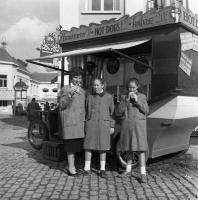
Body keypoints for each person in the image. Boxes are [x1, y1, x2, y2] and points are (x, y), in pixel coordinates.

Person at [117, 78, 149, 183]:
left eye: (134, 87)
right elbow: (118, 112)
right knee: (129, 148)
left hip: (139, 126)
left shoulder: (142, 97)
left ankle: (143, 174)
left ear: (137, 87)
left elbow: (146, 110)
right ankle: (128, 170)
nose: (131, 89)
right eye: (130, 87)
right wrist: (126, 101)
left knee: (140, 149)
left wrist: (137, 101)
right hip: (127, 126)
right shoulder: (123, 97)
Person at [83, 78, 115, 178]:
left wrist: (112, 125)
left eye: (97, 85)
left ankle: (102, 169)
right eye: (94, 85)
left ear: (102, 85)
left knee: (103, 147)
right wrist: (85, 122)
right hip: (91, 124)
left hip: (103, 125)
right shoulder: (89, 97)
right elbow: (85, 111)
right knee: (88, 146)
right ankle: (87, 168)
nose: (95, 87)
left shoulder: (109, 97)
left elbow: (112, 113)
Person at [59, 67, 85, 176]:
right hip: (69, 122)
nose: (78, 80)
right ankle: (71, 167)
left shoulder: (83, 91)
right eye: (75, 77)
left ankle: (73, 165)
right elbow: (61, 105)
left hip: (79, 123)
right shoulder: (65, 89)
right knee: (70, 147)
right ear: (71, 77)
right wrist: (69, 95)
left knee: (76, 147)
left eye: (79, 77)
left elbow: (83, 107)